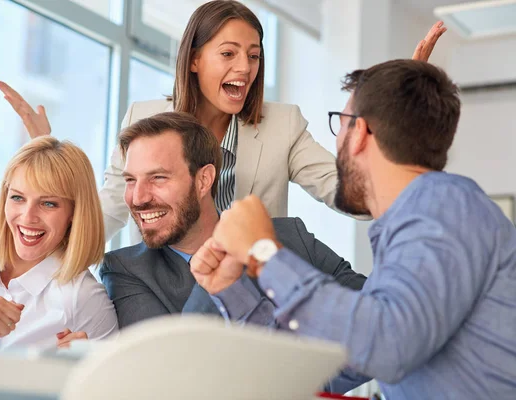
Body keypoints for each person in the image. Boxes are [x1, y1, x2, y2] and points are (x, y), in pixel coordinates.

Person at [189, 60, 516, 399]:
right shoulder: (423, 233)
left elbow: (387, 345)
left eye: (340, 124)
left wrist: (265, 253)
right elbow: (323, 370)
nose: (338, 142)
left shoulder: (443, 208)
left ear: (359, 132)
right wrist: (232, 289)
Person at [0, 1, 446, 241]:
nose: (245, 69)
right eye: (228, 54)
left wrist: (395, 113)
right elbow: (105, 215)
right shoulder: (145, 120)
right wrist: (45, 156)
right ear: (193, 60)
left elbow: (350, 194)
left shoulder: (282, 124)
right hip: (160, 293)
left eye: (253, 56)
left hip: (251, 297)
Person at [98, 112, 366, 329]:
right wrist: (216, 280)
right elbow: (168, 372)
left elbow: (375, 318)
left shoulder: (291, 236)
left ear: (204, 180)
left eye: (158, 178)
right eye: (130, 180)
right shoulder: (125, 270)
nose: (138, 198)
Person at [0, 136, 117, 350]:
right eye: (17, 198)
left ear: (74, 213)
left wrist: (77, 367)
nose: (28, 216)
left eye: (48, 203)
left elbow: (113, 381)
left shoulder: (84, 298)